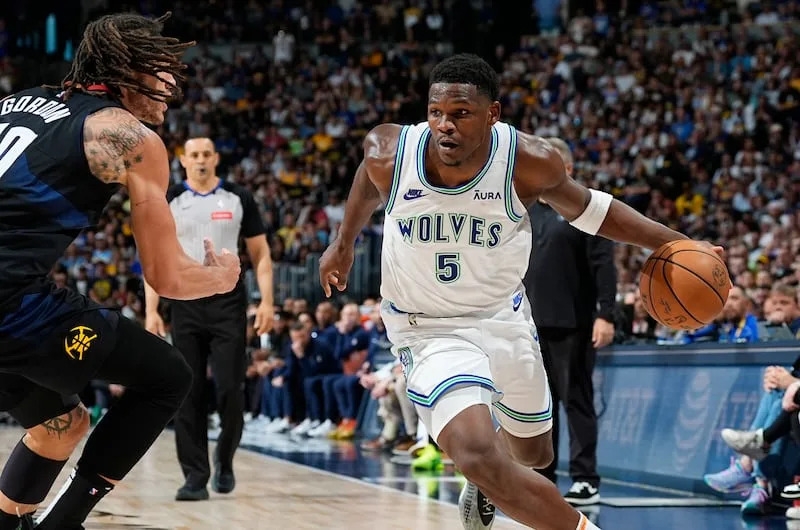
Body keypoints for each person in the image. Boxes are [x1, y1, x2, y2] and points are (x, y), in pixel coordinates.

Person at [318, 53, 722, 530]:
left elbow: (592, 211)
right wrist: (342, 243)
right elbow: (367, 178)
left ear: (493, 114)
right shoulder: (391, 152)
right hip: (425, 327)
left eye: (461, 114)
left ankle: (489, 482)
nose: (445, 125)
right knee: (476, 453)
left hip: (501, 315)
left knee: (533, 451)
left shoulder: (527, 160)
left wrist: (676, 242)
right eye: (436, 112)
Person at [0, 12, 241, 530]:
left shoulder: (11, 105)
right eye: (162, 69)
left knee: (60, 424)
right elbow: (167, 278)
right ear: (126, 68)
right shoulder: (125, 136)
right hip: (9, 304)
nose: (172, 83)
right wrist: (223, 277)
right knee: (167, 376)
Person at [144, 137, 274, 501]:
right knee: (188, 391)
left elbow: (261, 254)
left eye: (206, 154)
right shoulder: (169, 199)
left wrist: (267, 302)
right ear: (183, 160)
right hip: (184, 300)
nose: (200, 160)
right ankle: (195, 477)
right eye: (194, 155)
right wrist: (151, 310)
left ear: (215, 158)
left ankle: (226, 459)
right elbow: (153, 258)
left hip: (227, 301)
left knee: (231, 388)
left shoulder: (238, 198)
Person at [524, 137, 616, 505]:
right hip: (529, 325)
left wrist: (606, 315)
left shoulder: (587, 208)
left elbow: (603, 267)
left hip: (573, 322)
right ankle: (542, 477)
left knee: (576, 401)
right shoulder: (527, 209)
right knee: (538, 406)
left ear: (567, 168)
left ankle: (585, 478)